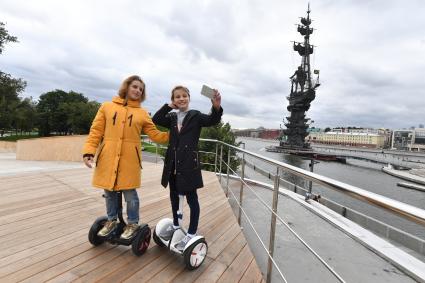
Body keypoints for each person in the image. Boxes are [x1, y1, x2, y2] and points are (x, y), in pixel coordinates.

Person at [82, 75, 169, 240]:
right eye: (135, 87)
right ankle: (112, 221)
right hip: (108, 158)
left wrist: (174, 134)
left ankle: (133, 223)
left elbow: (156, 135)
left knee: (130, 195)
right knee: (109, 192)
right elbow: (96, 132)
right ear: (127, 87)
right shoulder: (106, 107)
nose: (138, 90)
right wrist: (88, 152)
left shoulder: (142, 114)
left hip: (130, 161)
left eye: (141, 89)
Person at [152, 85, 222, 250]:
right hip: (173, 166)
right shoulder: (171, 117)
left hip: (189, 165)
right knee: (174, 196)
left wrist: (216, 106)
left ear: (189, 98)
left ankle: (191, 232)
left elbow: (213, 120)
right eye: (177, 97)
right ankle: (176, 225)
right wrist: (169, 106)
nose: (181, 99)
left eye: (184, 96)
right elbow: (156, 119)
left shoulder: (195, 116)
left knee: (192, 199)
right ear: (174, 100)